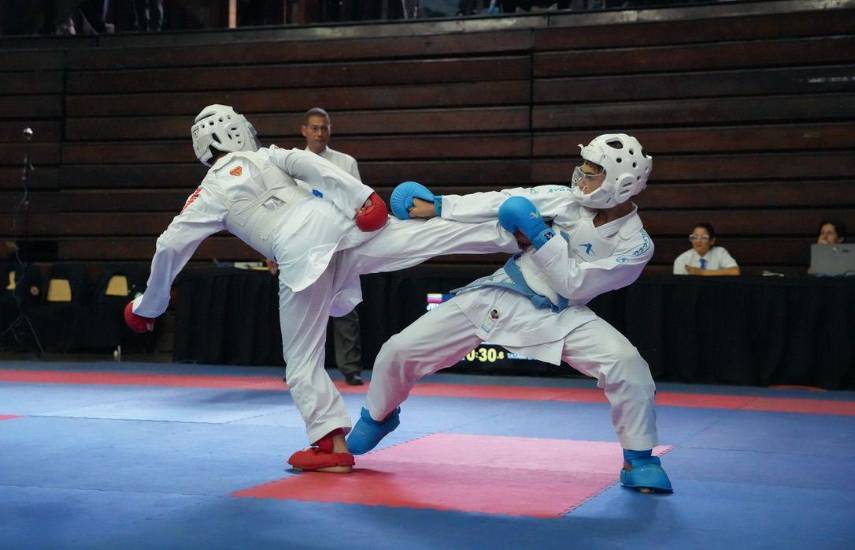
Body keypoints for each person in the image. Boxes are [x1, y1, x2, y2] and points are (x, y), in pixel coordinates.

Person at [124, 104, 520, 473]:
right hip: (336, 225)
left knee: (302, 360)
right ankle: (509, 230)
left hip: (299, 255)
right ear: (241, 131)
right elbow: (309, 164)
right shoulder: (268, 155)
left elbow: (170, 245)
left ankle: (331, 443)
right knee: (420, 238)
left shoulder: (208, 192)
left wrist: (149, 306)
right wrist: (363, 198)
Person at [348, 133, 673, 493]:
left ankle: (639, 459)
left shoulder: (635, 245)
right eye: (582, 167)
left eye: (592, 172)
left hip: (559, 313)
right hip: (500, 292)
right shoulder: (564, 199)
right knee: (398, 349)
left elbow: (575, 285)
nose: (581, 177)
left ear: (620, 183)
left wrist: (539, 234)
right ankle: (378, 417)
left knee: (626, 363)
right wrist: (439, 205)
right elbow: (501, 199)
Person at [300, 107, 365, 386]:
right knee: (302, 309)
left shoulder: (345, 163)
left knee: (344, 304)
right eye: (314, 128)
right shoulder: (291, 163)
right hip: (303, 244)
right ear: (304, 130)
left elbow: (359, 202)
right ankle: (300, 368)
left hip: (340, 241)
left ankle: (350, 368)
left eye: (324, 128)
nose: (319, 133)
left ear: (330, 130)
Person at [672, 223, 740, 276]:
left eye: (703, 237)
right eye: (694, 237)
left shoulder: (720, 253)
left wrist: (702, 272)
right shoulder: (682, 260)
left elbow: (735, 271)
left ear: (712, 241)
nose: (698, 241)